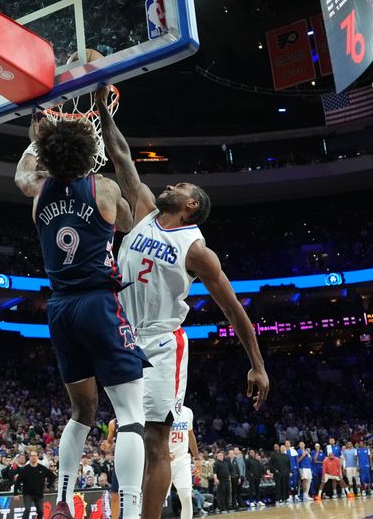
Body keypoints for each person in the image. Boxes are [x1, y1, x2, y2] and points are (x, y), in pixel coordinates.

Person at [96, 88, 269, 519]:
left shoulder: (196, 249)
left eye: (181, 186)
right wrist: (101, 109)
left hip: (160, 344)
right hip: (123, 336)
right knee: (129, 435)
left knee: (155, 440)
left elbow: (233, 309)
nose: (170, 184)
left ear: (191, 205)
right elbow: (121, 157)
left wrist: (258, 364)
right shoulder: (144, 210)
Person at [15, 115, 148, 519]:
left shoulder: (38, 192)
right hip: (97, 301)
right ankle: (129, 509)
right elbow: (130, 218)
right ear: (90, 155)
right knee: (130, 416)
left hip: (60, 309)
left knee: (81, 412)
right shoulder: (103, 189)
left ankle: (61, 501)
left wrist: (39, 135)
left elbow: (23, 172)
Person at [168, 406, 198, 519]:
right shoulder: (161, 409)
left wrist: (197, 458)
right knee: (159, 500)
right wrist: (163, 451)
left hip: (182, 459)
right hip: (163, 460)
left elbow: (190, 434)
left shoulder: (187, 411)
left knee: (186, 496)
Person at [15, 450, 56, 519]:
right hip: (27, 493)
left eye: (35, 456)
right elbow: (18, 481)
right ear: (29, 457)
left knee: (41, 512)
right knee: (27, 509)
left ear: (37, 457)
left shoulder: (42, 468)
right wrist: (15, 493)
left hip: (39, 494)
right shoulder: (25, 469)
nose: (33, 457)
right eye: (32, 456)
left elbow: (52, 476)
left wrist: (48, 486)